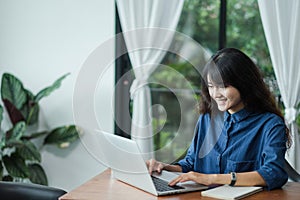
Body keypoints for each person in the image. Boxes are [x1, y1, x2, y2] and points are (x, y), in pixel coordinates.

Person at [146, 47, 291, 190]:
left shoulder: (270, 125)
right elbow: (190, 164)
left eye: (222, 87)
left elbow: (274, 174)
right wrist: (165, 168)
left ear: (244, 84)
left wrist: (213, 178)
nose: (215, 94)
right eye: (211, 86)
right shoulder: (207, 118)